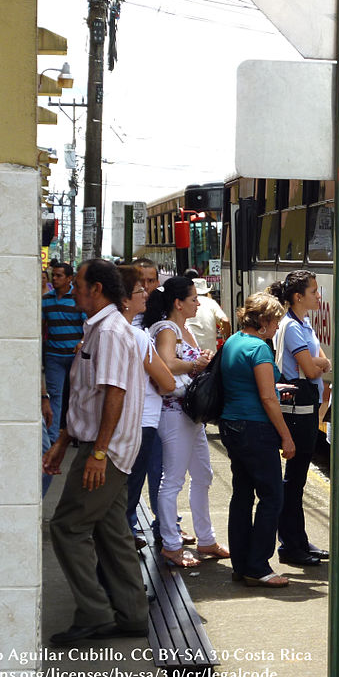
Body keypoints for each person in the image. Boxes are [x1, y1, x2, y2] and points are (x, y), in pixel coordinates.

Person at [42, 259, 149, 645]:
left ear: (97, 290)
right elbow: (90, 397)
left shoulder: (109, 333)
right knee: (112, 531)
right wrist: (64, 440)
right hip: (102, 444)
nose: (74, 291)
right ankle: (132, 613)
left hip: (108, 449)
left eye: (80, 285)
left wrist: (98, 453)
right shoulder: (101, 329)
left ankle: (94, 612)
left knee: (67, 526)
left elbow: (114, 395)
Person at [144, 277, 228, 567]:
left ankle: (205, 539)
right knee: (173, 481)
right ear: (178, 303)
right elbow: (166, 364)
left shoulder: (182, 329)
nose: (198, 303)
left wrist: (199, 360)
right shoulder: (167, 329)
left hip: (189, 414)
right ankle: (171, 545)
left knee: (203, 475)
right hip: (174, 413)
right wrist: (197, 365)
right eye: (194, 299)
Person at [218, 291, 296, 587]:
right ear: (263, 321)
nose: (278, 327)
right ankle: (258, 565)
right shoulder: (259, 349)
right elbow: (267, 397)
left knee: (242, 494)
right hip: (256, 428)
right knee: (272, 496)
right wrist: (286, 437)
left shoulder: (234, 342)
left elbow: (250, 384)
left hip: (232, 424)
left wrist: (275, 388)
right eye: (276, 321)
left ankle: (241, 562)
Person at [268, 270, 330, 566]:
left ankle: (299, 541)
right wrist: (318, 363)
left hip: (307, 408)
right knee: (293, 481)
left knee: (298, 480)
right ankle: (290, 546)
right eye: (314, 292)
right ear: (297, 297)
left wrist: (318, 363)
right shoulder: (292, 327)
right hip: (298, 412)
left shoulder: (303, 323)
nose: (319, 296)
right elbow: (313, 369)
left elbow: (321, 362)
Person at [117, 266, 176, 551]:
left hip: (120, 424)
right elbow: (166, 382)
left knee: (120, 496)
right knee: (127, 498)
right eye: (140, 289)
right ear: (125, 298)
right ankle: (122, 571)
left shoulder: (99, 330)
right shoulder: (137, 336)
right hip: (140, 423)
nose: (146, 293)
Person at [41, 263, 85, 496]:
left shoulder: (76, 300)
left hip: (75, 356)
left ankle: (75, 432)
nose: (54, 279)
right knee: (55, 396)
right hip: (54, 357)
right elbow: (41, 328)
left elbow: (86, 326)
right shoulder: (46, 300)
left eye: (59, 276)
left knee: (77, 395)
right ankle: (52, 438)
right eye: (53, 276)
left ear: (69, 279)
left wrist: (82, 344)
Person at [186, 278, 231, 352]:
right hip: (210, 354)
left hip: (191, 352)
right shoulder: (211, 302)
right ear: (207, 292)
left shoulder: (186, 303)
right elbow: (225, 320)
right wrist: (227, 339)